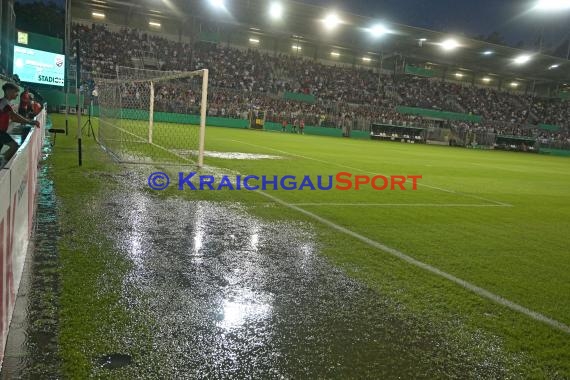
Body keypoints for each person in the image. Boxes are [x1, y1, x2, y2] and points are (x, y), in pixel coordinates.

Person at [0, 83, 41, 164]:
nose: (17, 94)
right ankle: (2, 164)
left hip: (2, 131)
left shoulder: (5, 103)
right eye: (15, 92)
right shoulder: (4, 103)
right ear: (8, 91)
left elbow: (14, 118)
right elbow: (14, 116)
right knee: (14, 146)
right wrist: (30, 122)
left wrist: (29, 121)